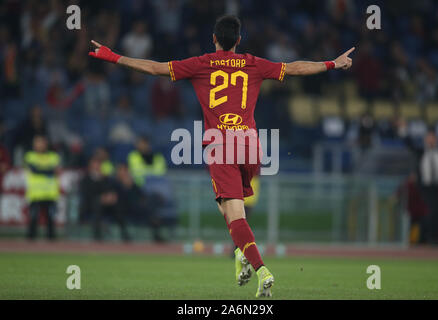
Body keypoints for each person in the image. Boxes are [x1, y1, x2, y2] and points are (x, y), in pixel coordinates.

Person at [89, 15, 354, 298]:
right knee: (227, 209)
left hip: (221, 145)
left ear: (214, 39)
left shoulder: (201, 64)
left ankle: (261, 269)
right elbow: (294, 68)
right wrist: (332, 64)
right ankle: (242, 255)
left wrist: (114, 57)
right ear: (238, 41)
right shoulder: (253, 63)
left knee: (234, 214)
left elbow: (154, 68)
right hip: (251, 145)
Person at [80, 157, 130, 242]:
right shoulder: (86, 179)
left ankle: (124, 233)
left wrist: (110, 196)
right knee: (97, 204)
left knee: (117, 205)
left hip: (106, 204)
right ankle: (97, 235)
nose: (97, 166)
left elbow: (109, 189)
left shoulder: (105, 178)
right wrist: (100, 197)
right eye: (95, 164)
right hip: (91, 204)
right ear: (90, 165)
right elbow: (86, 194)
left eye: (99, 164)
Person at [24, 135, 60, 240]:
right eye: (37, 143)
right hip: (35, 194)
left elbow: (53, 170)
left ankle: (52, 247)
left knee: (51, 220)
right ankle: (29, 244)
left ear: (46, 144)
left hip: (50, 194)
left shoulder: (54, 156)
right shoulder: (30, 156)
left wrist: (42, 170)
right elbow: (35, 170)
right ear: (34, 145)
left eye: (42, 142)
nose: (40, 145)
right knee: (33, 219)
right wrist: (49, 170)